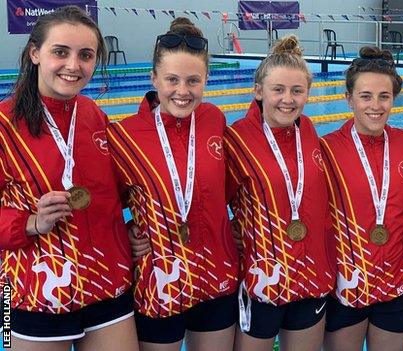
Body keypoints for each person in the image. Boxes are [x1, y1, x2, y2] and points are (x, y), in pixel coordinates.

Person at [0, 6, 138, 351]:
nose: (73, 65)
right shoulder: (4, 125)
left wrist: (138, 226)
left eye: (85, 55)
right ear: (35, 53)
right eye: (60, 52)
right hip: (28, 291)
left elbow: (117, 193)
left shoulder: (94, 116)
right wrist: (30, 222)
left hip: (108, 282)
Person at [107, 18, 239, 351]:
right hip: (159, 280)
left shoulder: (215, 120)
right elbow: (103, 203)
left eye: (193, 80)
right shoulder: (124, 136)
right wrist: (126, 233)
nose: (183, 91)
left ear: (206, 80)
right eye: (172, 80)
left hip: (217, 275)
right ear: (154, 79)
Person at [224, 35, 334, 351]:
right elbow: (206, 202)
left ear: (308, 94)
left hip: (311, 275)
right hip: (260, 281)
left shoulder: (310, 131)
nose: (288, 99)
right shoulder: (236, 141)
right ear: (258, 91)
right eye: (278, 90)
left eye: (297, 91)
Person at [321, 47, 403, 351]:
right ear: (349, 99)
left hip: (399, 284)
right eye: (365, 96)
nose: (375, 106)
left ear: (394, 98)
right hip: (344, 285)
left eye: (384, 96)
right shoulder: (325, 150)